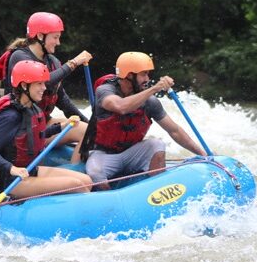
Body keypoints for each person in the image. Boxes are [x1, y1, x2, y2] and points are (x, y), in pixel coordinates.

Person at [81, 52, 207, 190]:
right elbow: (121, 107)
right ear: (129, 75)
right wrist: (155, 88)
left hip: (133, 153)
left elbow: (174, 130)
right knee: (95, 173)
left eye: (148, 74)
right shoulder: (104, 91)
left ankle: (159, 190)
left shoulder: (150, 102)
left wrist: (203, 154)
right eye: (143, 74)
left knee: (156, 144)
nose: (147, 79)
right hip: (104, 155)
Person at [0, 60, 92, 199]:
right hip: (12, 180)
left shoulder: (32, 108)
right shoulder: (9, 116)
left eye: (44, 83)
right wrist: (12, 169)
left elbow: (35, 135)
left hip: (30, 171)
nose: (44, 88)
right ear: (24, 85)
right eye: (39, 83)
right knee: (77, 185)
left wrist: (62, 126)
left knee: (87, 181)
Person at [0, 12, 92, 162]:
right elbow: (43, 81)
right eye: (55, 37)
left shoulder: (53, 62)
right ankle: (75, 180)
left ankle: (76, 170)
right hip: (21, 128)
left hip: (42, 123)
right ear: (40, 36)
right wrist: (73, 63)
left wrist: (89, 123)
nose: (58, 43)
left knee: (89, 131)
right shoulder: (20, 57)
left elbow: (63, 101)